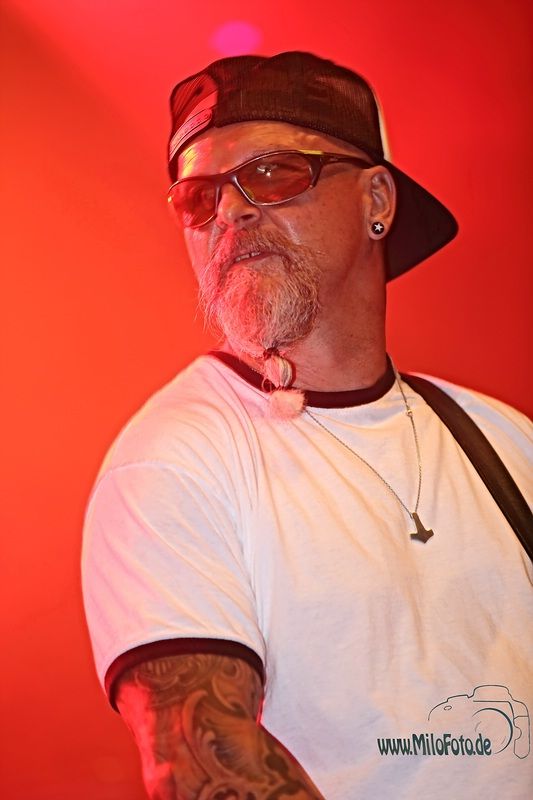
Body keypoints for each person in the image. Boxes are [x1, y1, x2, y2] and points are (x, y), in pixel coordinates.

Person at [82, 52, 532, 800]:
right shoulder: (174, 460)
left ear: (376, 199)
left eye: (270, 174)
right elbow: (201, 770)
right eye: (197, 198)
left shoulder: (508, 444)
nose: (229, 212)